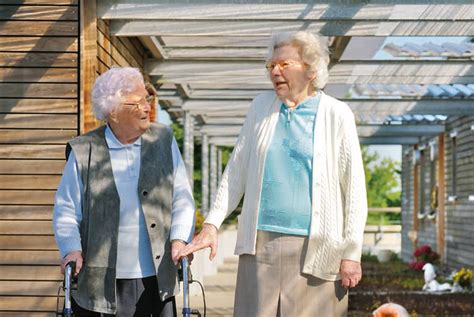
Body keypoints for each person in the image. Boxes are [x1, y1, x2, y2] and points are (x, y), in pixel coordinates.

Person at [180, 31, 368, 316]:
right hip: (261, 244)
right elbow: (237, 169)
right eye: (271, 66)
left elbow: (353, 189)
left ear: (310, 68)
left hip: (317, 245)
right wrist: (211, 225)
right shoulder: (260, 107)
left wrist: (351, 253)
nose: (275, 72)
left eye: (284, 65)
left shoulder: (337, 114)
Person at [53, 67, 195, 317]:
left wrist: (180, 239)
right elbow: (66, 209)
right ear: (113, 112)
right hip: (101, 283)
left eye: (146, 99)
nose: (146, 107)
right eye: (137, 102)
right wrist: (71, 249)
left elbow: (182, 198)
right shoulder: (84, 150)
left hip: (156, 275)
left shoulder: (163, 139)